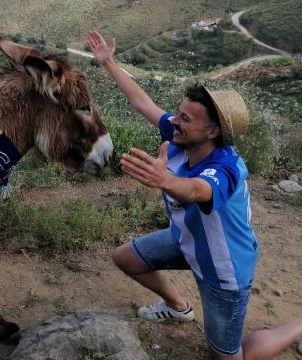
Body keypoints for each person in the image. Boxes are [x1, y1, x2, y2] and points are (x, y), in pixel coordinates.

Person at [87, 29, 302, 360]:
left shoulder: (228, 167)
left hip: (223, 269)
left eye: (185, 118)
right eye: (177, 113)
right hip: (188, 242)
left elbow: (200, 190)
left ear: (212, 132)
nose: (174, 120)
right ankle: (178, 307)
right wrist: (108, 62)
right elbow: (141, 100)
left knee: (229, 357)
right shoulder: (179, 138)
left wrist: (165, 181)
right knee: (125, 257)